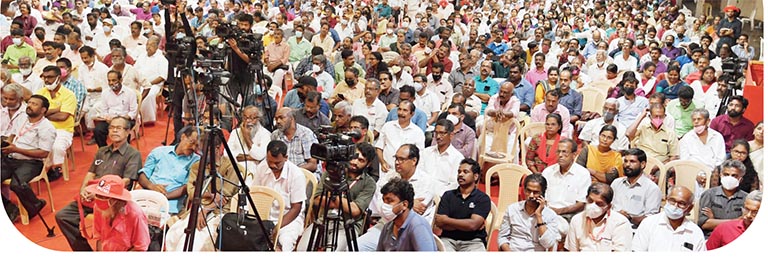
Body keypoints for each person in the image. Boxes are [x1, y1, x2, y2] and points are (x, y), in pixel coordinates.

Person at [55, 116, 141, 251]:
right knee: (62, 216)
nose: (114, 131)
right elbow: (91, 173)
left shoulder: (133, 154)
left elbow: (127, 181)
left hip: (113, 200)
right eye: (112, 128)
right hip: (93, 195)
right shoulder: (102, 151)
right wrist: (84, 190)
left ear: (128, 131)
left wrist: (102, 193)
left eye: (119, 128)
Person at [165, 132, 240, 251]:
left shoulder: (231, 167)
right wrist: (210, 195)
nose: (202, 154)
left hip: (219, 212)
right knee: (179, 234)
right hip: (197, 208)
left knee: (199, 238)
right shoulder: (197, 166)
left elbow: (224, 196)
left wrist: (205, 210)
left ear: (216, 148)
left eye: (206, 151)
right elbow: (191, 191)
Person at [297, 143, 376, 251]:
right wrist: (344, 203)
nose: (354, 162)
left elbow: (355, 210)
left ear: (368, 164)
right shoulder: (332, 172)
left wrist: (334, 198)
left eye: (361, 160)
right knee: (302, 250)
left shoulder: (369, 183)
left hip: (347, 226)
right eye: (353, 157)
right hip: (323, 220)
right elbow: (316, 200)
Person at [1, 94, 56, 221]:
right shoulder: (21, 118)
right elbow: (12, 134)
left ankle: (36, 205)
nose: (30, 106)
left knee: (17, 185)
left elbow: (43, 153)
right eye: (29, 103)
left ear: (43, 110)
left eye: (34, 104)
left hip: (31, 162)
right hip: (11, 157)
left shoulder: (47, 128)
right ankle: (10, 208)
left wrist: (17, 149)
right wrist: (8, 144)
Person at [250, 140, 307, 252]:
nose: (272, 165)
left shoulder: (296, 175)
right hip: (265, 216)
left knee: (285, 242)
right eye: (269, 161)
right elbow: (255, 193)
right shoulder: (262, 167)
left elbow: (296, 208)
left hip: (288, 220)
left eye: (277, 163)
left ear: (286, 158)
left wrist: (277, 227)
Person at [137, 125, 201, 215]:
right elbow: (143, 175)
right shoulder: (159, 152)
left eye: (197, 146)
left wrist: (163, 196)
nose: (193, 148)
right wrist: (151, 186)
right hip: (147, 197)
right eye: (192, 142)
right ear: (183, 137)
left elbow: (186, 187)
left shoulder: (196, 161)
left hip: (169, 205)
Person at [434, 158, 491, 251]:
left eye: (465, 172)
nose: (460, 174)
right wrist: (466, 224)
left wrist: (447, 220)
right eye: (459, 172)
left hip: (473, 242)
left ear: (475, 176)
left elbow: (473, 225)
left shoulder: (482, 198)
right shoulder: (448, 195)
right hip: (448, 240)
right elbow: (440, 223)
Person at [85, 175, 150, 251]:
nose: (99, 200)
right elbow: (99, 238)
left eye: (103, 197)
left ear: (115, 200)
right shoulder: (98, 207)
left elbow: (140, 248)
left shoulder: (135, 215)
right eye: (97, 195)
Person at [498, 173, 561, 251]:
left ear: (543, 193)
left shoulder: (550, 215)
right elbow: (502, 237)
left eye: (535, 192)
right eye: (528, 191)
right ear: (524, 190)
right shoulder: (512, 209)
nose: (531, 196)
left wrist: (539, 216)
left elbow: (548, 244)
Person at [631, 186, 705, 251]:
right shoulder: (649, 223)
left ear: (690, 208)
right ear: (666, 199)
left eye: (681, 203)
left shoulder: (695, 232)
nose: (675, 206)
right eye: (672, 200)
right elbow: (638, 252)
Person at [35, 65, 77, 178]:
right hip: (41, 128)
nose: (47, 80)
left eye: (50, 77)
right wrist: (55, 110)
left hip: (62, 130)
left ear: (58, 78)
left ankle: (54, 168)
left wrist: (44, 113)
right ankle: (42, 168)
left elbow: (63, 116)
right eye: (44, 77)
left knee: (56, 147)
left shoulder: (69, 95)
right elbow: (34, 113)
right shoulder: (40, 93)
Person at [565, 182, 632, 251]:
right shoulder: (577, 220)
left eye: (599, 203)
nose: (592, 206)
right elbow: (572, 251)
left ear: (608, 206)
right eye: (590, 201)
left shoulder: (620, 223)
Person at [376, 177, 438, 251]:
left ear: (404, 205)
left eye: (389, 201)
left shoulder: (418, 226)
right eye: (384, 201)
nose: (385, 205)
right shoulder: (387, 227)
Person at [610, 148, 663, 229]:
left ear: (642, 164)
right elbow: (608, 206)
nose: (627, 164)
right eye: (626, 161)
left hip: (635, 230)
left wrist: (629, 218)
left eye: (632, 161)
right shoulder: (616, 183)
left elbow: (651, 219)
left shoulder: (652, 189)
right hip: (611, 226)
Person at [541, 138, 591, 221]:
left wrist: (559, 211)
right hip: (547, 213)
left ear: (574, 155)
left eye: (564, 152)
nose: (560, 155)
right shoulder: (548, 172)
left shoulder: (583, 174)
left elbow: (581, 203)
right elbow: (542, 197)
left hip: (571, 216)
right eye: (558, 151)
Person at [698, 159, 749, 237]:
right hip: (711, 236)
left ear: (740, 179)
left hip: (735, 237)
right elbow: (704, 224)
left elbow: (746, 224)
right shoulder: (709, 194)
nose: (729, 178)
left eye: (734, 175)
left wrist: (714, 220)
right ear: (721, 175)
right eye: (726, 174)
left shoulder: (746, 198)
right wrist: (736, 220)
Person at [375, 100, 425, 174]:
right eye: (399, 109)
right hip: (386, 170)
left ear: (412, 114)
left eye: (405, 110)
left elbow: (420, 156)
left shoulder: (418, 132)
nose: (401, 113)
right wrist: (382, 162)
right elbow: (379, 148)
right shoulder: (387, 126)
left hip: (405, 173)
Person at [92, 70, 138, 147]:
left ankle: (124, 153)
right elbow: (104, 110)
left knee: (123, 130)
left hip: (126, 119)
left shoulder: (130, 93)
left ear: (121, 80)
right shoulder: (105, 93)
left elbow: (133, 112)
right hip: (110, 119)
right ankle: (104, 151)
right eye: (109, 80)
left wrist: (122, 119)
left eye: (114, 80)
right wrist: (107, 117)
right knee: (98, 130)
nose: (111, 83)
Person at [418, 119, 463, 195]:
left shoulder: (457, 158)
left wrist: (437, 196)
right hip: (421, 192)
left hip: (441, 197)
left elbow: (454, 185)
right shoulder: (425, 152)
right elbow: (418, 173)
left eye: (442, 133)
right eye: (436, 133)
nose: (438, 136)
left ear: (451, 135)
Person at [227, 106, 271, 175]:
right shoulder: (235, 132)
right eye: (245, 118)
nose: (247, 121)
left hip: (256, 173)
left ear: (258, 119)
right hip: (236, 171)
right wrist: (252, 158)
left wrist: (247, 137)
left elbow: (261, 156)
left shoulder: (265, 134)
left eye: (251, 118)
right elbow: (227, 154)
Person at [135, 35, 167, 124]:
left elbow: (162, 77)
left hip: (153, 84)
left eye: (151, 45)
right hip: (139, 82)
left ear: (157, 47)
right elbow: (135, 69)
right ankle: (135, 117)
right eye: (147, 44)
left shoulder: (161, 59)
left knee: (148, 95)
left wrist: (148, 83)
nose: (148, 47)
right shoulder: (142, 56)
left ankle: (147, 119)